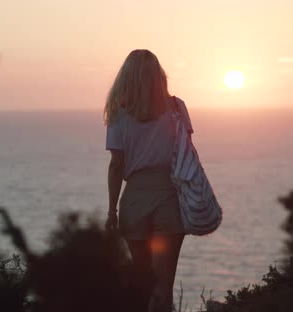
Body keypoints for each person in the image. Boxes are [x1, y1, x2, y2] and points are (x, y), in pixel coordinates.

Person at [104, 49, 191, 312]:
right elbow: (188, 156)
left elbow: (116, 166)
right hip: (169, 198)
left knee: (143, 284)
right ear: (158, 76)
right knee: (163, 286)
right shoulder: (176, 107)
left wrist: (112, 210)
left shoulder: (118, 114)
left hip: (134, 202)